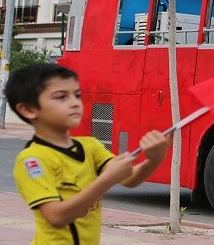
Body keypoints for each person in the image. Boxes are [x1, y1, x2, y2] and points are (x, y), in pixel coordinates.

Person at [8, 64, 169, 245]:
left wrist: (154, 159)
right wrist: (105, 180)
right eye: (61, 97)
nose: (75, 103)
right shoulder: (32, 160)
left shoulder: (90, 146)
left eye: (77, 95)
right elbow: (56, 217)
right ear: (28, 110)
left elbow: (129, 178)